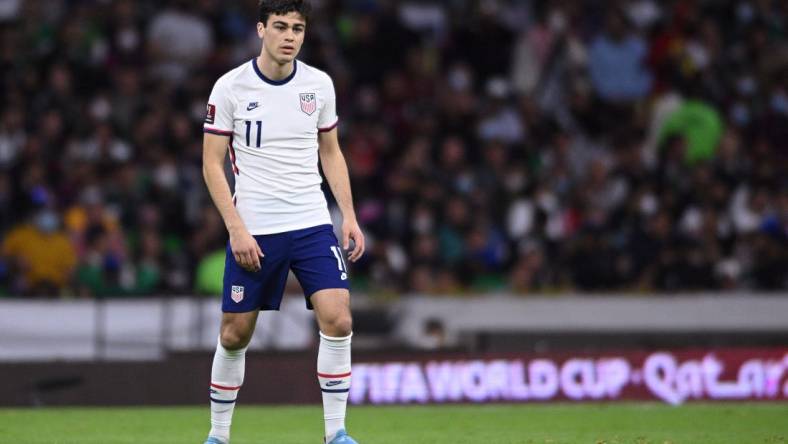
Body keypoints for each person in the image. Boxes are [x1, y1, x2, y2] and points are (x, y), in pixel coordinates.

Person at [201, 1, 365, 443]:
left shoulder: (319, 84)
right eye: (280, 27)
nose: (290, 36)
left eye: (297, 28)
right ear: (260, 29)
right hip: (254, 228)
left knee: (339, 319)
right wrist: (236, 228)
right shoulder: (230, 87)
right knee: (235, 334)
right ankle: (218, 435)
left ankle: (336, 434)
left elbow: (330, 152)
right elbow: (212, 164)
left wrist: (348, 214)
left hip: (311, 223)